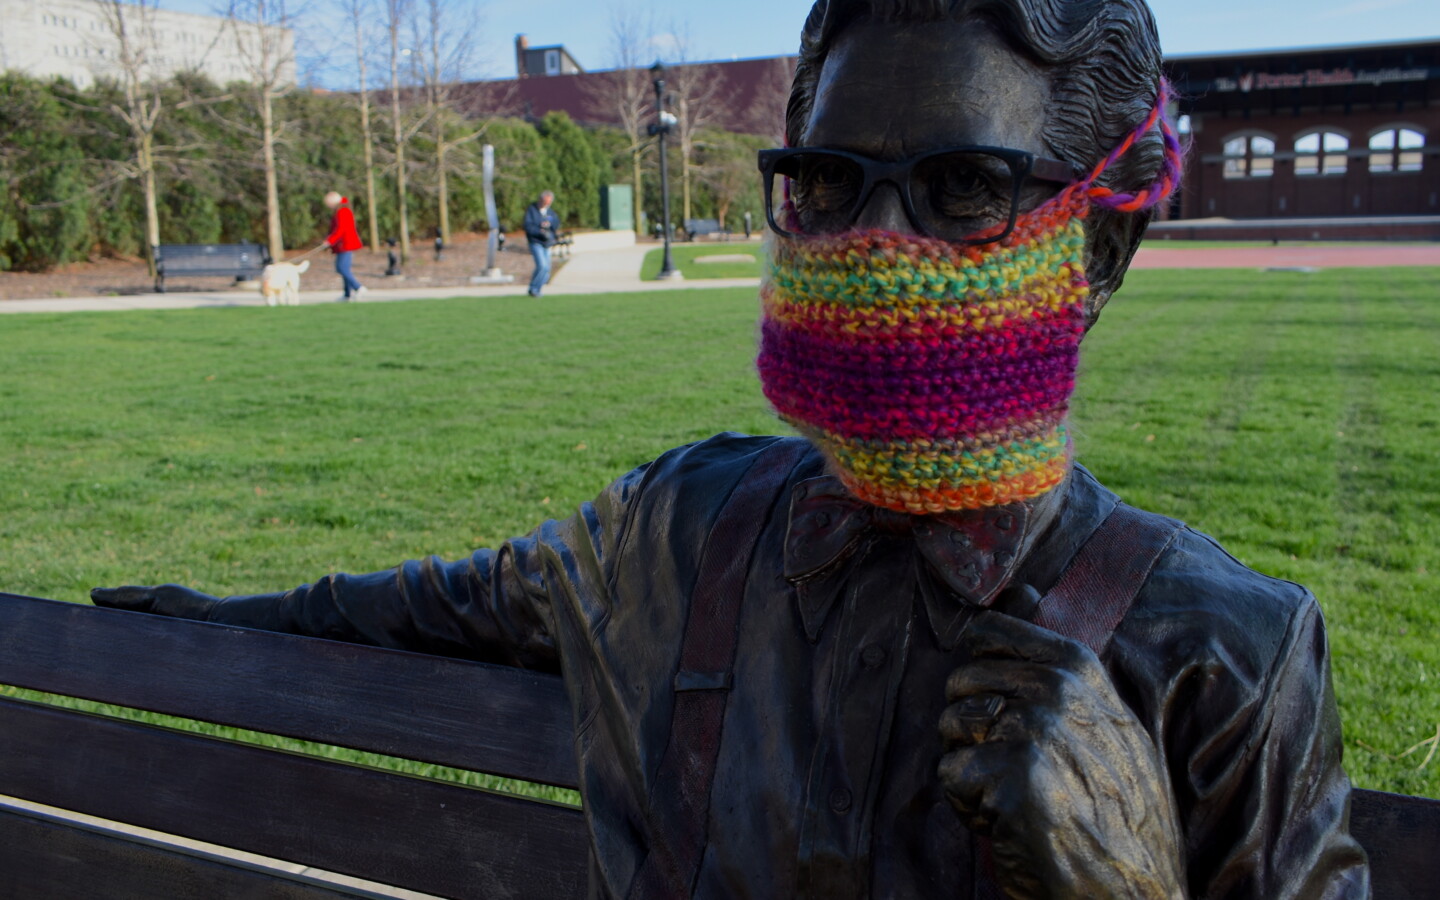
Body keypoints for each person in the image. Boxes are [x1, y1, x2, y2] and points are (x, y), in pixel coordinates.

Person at [94, 2, 1370, 897]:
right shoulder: (675, 533)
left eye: (963, 189)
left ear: (1100, 249)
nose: (877, 243)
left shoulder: (1224, 656)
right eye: (826, 182)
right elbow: (431, 606)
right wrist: (201, 622)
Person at [322, 191, 366, 302]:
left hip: (346, 244)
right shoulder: (340, 211)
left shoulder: (343, 211)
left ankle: (358, 287)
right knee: (344, 268)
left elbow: (341, 230)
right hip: (342, 245)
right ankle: (347, 294)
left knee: (341, 268)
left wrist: (329, 241)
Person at [523, 190, 561, 297]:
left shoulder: (550, 212)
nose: (546, 204)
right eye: (545, 201)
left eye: (549, 202)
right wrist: (539, 230)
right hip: (536, 242)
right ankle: (534, 289)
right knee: (542, 266)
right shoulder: (532, 210)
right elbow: (528, 226)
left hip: (546, 242)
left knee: (546, 269)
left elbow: (556, 224)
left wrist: (549, 224)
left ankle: (536, 288)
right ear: (540, 200)